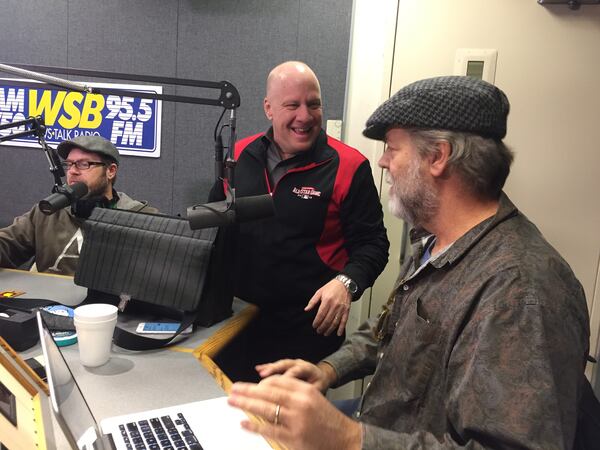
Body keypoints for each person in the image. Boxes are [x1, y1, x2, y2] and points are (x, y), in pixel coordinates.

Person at [227, 76, 591, 449]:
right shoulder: (435, 242)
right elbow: (393, 330)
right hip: (384, 424)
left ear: (437, 157)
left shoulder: (519, 292)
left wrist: (349, 439)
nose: (383, 162)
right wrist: (327, 370)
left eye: (392, 148)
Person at [210, 61, 389, 381]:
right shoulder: (238, 155)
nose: (305, 116)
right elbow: (213, 228)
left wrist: (346, 284)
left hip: (304, 333)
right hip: (235, 325)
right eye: (292, 105)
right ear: (268, 108)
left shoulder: (350, 166)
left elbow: (373, 244)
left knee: (285, 428)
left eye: (314, 104)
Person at [0, 135, 157, 276]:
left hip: (111, 306)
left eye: (83, 164)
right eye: (69, 164)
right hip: (50, 303)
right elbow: (7, 244)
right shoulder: (47, 212)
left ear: (110, 171)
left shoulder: (142, 218)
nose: (73, 171)